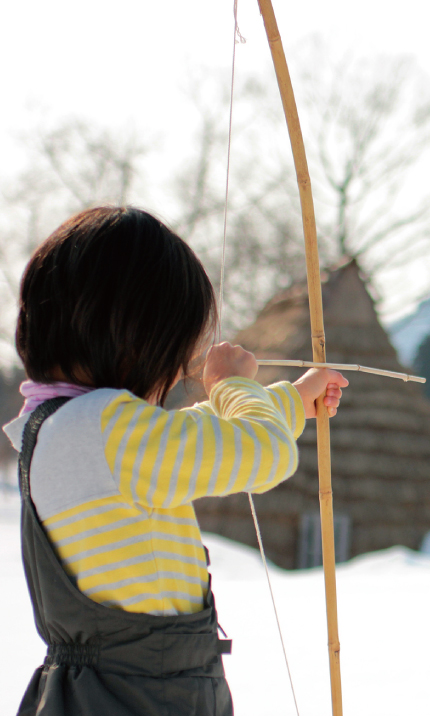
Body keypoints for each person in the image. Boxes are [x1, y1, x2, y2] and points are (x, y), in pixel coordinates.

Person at [4, 206, 349, 716]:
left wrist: (291, 401)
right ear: (139, 339)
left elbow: (197, 436)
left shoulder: (60, 428)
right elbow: (260, 452)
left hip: (98, 693)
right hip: (147, 695)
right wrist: (233, 385)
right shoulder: (104, 425)